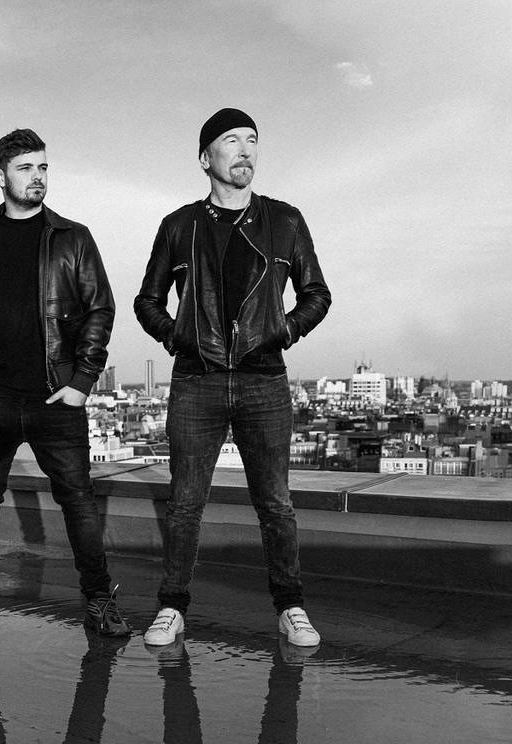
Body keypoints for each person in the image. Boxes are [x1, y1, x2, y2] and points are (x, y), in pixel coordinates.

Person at [134, 109, 331, 648]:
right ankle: (172, 607)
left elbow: (317, 294)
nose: (245, 150)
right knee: (184, 503)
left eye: (252, 140)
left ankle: (290, 606)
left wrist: (283, 331)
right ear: (205, 158)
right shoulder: (179, 226)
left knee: (275, 503)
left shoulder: (284, 220)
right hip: (196, 379)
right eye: (231, 140)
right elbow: (147, 300)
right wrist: (177, 337)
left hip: (263, 379)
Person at [0, 128, 130, 638]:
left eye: (42, 167)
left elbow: (100, 308)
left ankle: (99, 601)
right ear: (1, 176)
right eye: (25, 168)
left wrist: (82, 380)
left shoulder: (73, 238)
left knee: (78, 501)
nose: (37, 177)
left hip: (56, 395)